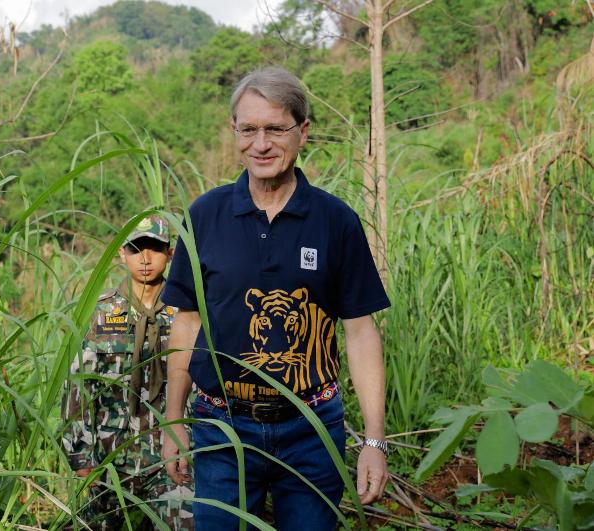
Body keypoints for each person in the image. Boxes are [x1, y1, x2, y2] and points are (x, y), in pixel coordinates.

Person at [160, 67, 391, 530]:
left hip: (310, 426)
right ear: (235, 132)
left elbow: (360, 332)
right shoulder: (205, 216)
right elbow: (186, 324)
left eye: (275, 128)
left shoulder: (334, 220)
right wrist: (173, 421)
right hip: (221, 427)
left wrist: (374, 440)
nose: (260, 144)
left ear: (302, 131)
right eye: (249, 129)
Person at [62, 215, 194, 530]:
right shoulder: (101, 311)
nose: (145, 259)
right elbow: (79, 387)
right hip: (109, 455)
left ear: (171, 252)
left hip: (169, 456)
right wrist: (80, 457)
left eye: (155, 249)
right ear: (122, 253)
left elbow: (201, 386)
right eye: (136, 249)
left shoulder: (186, 314)